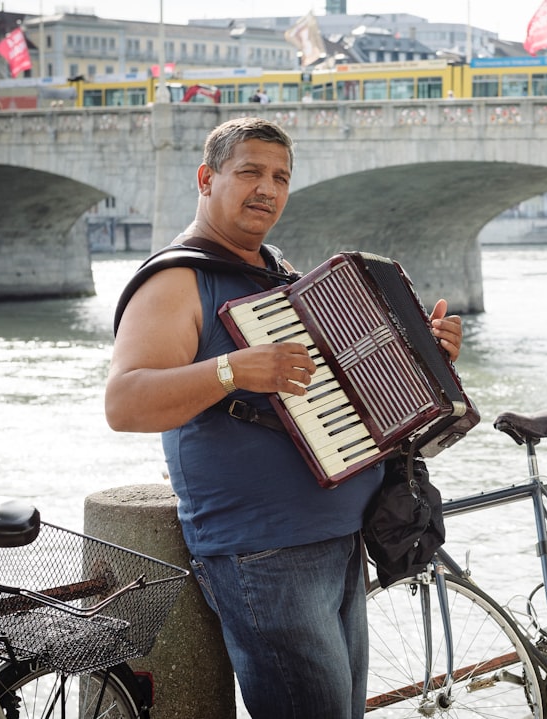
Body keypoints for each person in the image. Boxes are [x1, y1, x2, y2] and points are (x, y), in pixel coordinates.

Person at [105, 116, 463, 718]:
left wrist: (425, 352)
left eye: (280, 177)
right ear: (206, 178)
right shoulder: (177, 280)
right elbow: (124, 403)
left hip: (343, 537)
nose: (266, 189)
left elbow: (354, 382)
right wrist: (233, 371)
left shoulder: (279, 273)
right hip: (262, 554)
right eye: (249, 172)